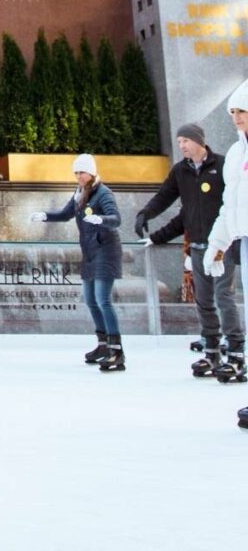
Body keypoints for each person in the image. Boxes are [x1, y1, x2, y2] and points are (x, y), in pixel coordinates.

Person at [135, 123, 243, 379]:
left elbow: (237, 199)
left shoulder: (222, 164)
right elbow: (164, 196)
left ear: (199, 141)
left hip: (221, 245)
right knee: (203, 300)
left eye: (185, 140)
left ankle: (237, 352)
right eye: (179, 141)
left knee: (223, 297)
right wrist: (145, 214)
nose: (181, 145)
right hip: (196, 246)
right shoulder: (181, 170)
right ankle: (212, 351)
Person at [30, 154, 124, 371]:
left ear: (91, 172)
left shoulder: (103, 193)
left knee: (103, 299)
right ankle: (103, 344)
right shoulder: (79, 194)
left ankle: (116, 349)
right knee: (91, 299)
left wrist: (101, 220)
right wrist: (44, 216)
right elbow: (65, 215)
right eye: (76, 173)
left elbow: (116, 218)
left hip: (106, 250)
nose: (79, 176)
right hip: (90, 252)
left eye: (82, 172)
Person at [201, 81, 248, 431]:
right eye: (233, 112)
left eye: (242, 111)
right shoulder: (236, 155)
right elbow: (229, 204)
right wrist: (219, 241)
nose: (236, 118)